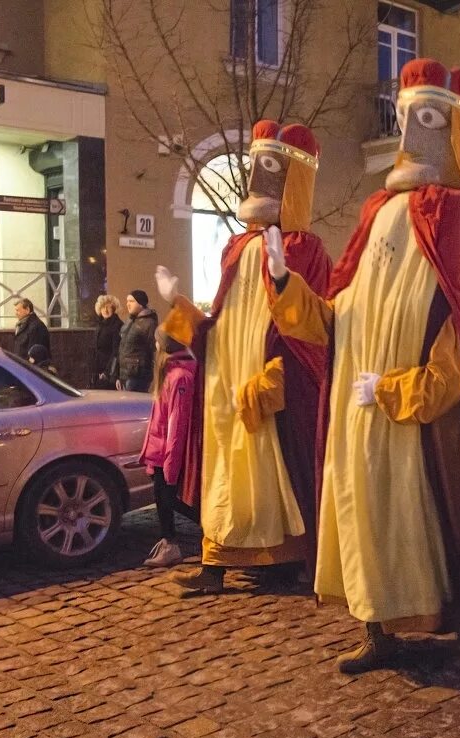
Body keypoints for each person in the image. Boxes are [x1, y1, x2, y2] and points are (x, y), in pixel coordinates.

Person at [268, 58, 460, 673]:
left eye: (424, 120)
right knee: (362, 519)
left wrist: (403, 388)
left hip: (409, 417)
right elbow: (331, 319)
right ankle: (376, 629)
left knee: (419, 518)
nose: (409, 135)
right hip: (357, 416)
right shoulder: (375, 213)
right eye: (406, 118)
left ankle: (440, 614)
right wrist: (284, 281)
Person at [158, 120, 330, 596]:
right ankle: (215, 566)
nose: (259, 178)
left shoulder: (304, 248)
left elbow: (314, 329)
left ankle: (284, 561)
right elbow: (220, 323)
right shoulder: (236, 247)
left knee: (277, 478)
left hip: (270, 387)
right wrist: (180, 308)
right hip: (227, 386)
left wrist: (279, 377)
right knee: (226, 478)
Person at [140, 329, 199, 568]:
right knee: (164, 499)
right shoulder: (169, 374)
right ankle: (169, 542)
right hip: (160, 451)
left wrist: (170, 465)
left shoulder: (179, 377)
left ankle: (176, 542)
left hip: (167, 453)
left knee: (171, 498)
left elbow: (177, 424)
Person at [116, 290, 159, 392]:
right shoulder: (129, 321)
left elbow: (153, 349)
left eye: (131, 301)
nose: (128, 304)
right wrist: (118, 376)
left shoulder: (149, 323)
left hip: (138, 376)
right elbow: (122, 349)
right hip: (125, 374)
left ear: (141, 304)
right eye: (127, 301)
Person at [94, 294, 123, 389]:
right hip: (98, 370)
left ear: (113, 309)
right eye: (103, 307)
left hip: (109, 373)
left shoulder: (117, 325)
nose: (105, 310)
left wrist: (107, 372)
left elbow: (116, 352)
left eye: (108, 307)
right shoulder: (100, 324)